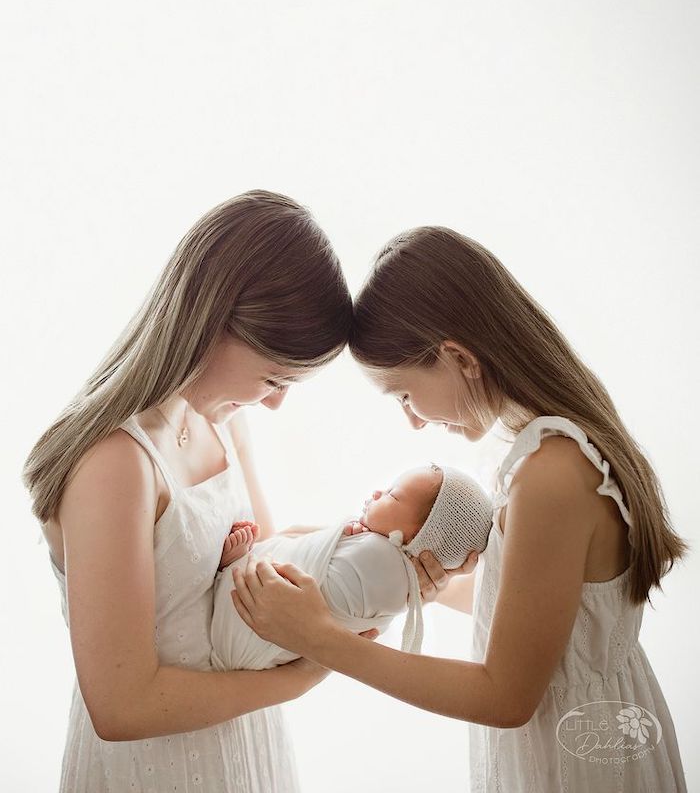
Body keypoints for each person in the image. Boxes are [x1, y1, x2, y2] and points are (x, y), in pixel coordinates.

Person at [231, 225, 689, 792]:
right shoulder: (550, 449)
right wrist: (431, 585)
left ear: (458, 357)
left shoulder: (551, 472)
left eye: (403, 394)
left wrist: (324, 639)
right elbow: (553, 618)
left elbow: (505, 696)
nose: (414, 421)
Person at [22, 190, 377, 792]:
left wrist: (357, 545)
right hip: (154, 769)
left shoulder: (222, 420)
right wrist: (304, 674)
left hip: (245, 746)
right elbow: (123, 706)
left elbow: (258, 559)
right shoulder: (117, 463)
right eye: (274, 377)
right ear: (212, 323)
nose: (276, 402)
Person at [210, 463, 493, 670]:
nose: (378, 492)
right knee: (280, 558)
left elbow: (321, 585)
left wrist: (345, 535)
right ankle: (237, 565)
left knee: (269, 574)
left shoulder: (383, 562)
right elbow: (303, 545)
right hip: (249, 638)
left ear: (420, 538)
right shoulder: (374, 550)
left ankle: (235, 567)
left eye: (393, 495)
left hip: (249, 624)